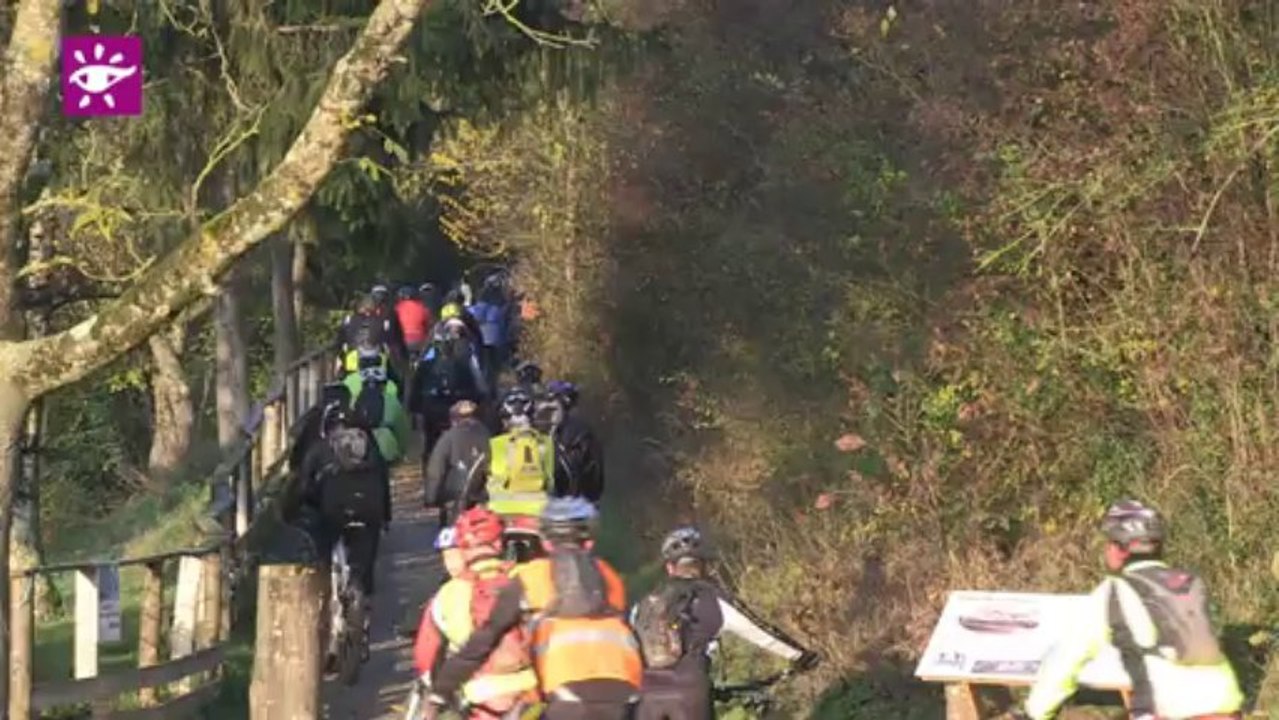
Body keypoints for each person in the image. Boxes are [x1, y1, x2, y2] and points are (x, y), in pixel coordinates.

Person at [1015, 500, 1244, 720]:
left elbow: (1067, 658)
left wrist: (1036, 712)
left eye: (1109, 542)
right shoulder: (1188, 582)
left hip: (1167, 709)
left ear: (1120, 550)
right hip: (1226, 705)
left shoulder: (1114, 591)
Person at [428, 497, 642, 720]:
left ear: (546, 543)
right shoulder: (611, 578)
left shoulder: (532, 576)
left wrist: (441, 691)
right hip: (626, 696)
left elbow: (484, 640)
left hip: (566, 698)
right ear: (589, 543)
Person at [633, 527, 817, 720]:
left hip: (646, 697)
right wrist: (801, 657)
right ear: (704, 564)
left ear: (670, 568)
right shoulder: (712, 598)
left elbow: (628, 650)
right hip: (689, 694)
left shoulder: (643, 604)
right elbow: (762, 634)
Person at [413, 507, 540, 720]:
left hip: (480, 702)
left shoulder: (448, 594)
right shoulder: (529, 579)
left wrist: (438, 695)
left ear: (462, 549)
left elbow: (426, 658)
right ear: (500, 543)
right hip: (533, 695)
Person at [298, 400, 388, 598]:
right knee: (367, 548)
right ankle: (366, 594)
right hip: (369, 508)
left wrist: (308, 503)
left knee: (324, 543)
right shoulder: (370, 448)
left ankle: (324, 591)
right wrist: (385, 516)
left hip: (333, 510)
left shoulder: (319, 449)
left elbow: (304, 484)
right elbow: (383, 480)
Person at [413, 320, 490, 457]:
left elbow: (415, 387)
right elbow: (477, 386)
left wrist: (415, 408)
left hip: (435, 408)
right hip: (452, 407)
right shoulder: (463, 364)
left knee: (431, 441)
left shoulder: (426, 363)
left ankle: (430, 462)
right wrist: (481, 399)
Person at [482, 388, 555, 520]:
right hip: (539, 511)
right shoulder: (546, 442)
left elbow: (480, 476)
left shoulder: (495, 444)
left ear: (504, 420)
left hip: (502, 511)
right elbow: (552, 481)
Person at [424, 400, 491, 527]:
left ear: (453, 419)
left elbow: (436, 469)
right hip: (482, 495)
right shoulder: (488, 436)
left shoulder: (448, 438)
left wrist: (431, 497)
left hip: (455, 496)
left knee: (453, 534)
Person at [544, 380, 604, 503]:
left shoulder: (573, 432)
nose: (549, 414)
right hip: (584, 502)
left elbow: (566, 473)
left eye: (553, 409)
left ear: (565, 404)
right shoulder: (568, 428)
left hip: (574, 504)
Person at [395, 285, 434, 360]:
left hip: (403, 342)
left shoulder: (397, 308)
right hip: (420, 342)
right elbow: (429, 325)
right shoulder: (422, 307)